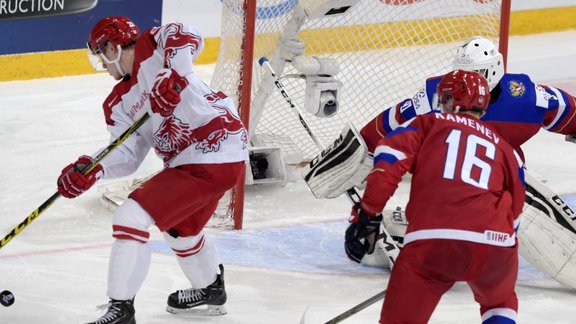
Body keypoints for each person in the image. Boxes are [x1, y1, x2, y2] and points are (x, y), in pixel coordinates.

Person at [304, 37, 576, 288]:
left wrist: (366, 215)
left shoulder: (525, 97)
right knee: (382, 249)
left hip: (504, 194)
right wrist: (363, 205)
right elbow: (384, 130)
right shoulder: (433, 99)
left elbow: (568, 112)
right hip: (448, 198)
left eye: (474, 75)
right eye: (459, 74)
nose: (464, 83)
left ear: (493, 72)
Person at [56, 17, 248, 324]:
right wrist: (92, 168)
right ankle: (210, 288)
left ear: (111, 46)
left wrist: (174, 75)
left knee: (130, 215)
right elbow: (128, 153)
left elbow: (188, 34)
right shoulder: (117, 103)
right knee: (180, 229)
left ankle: (121, 309)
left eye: (100, 54)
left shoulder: (153, 44)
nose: (103, 66)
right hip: (202, 161)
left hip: (214, 144)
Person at [350, 70, 525, 323]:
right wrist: (493, 246)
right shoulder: (506, 148)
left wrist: (367, 213)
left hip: (433, 240)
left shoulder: (428, 124)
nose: (440, 105)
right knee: (500, 302)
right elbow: (517, 209)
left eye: (443, 100)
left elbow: (390, 158)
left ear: (452, 101)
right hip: (496, 243)